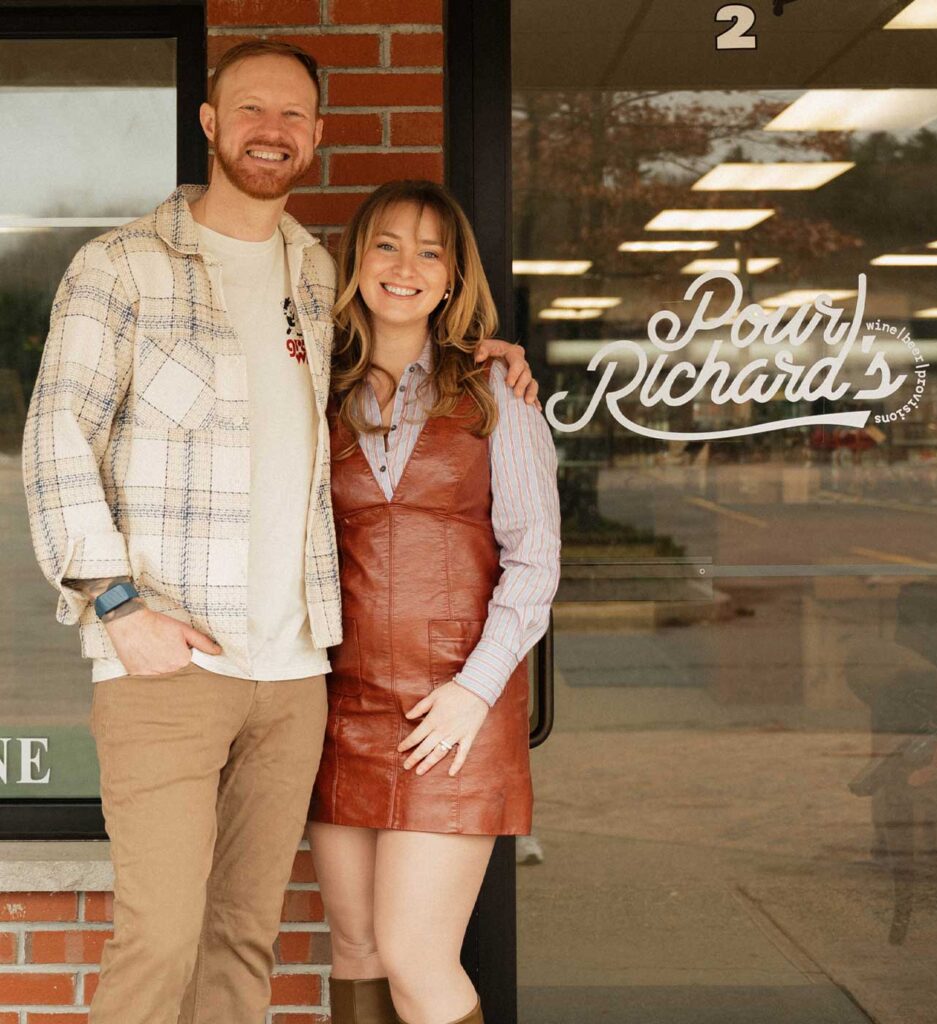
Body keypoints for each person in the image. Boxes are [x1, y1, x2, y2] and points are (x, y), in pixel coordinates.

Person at [21, 40, 536, 1024]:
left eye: (294, 115)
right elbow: (55, 449)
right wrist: (118, 606)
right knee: (160, 936)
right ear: (210, 124)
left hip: (297, 673)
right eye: (250, 109)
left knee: (241, 941)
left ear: (316, 136)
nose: (272, 129)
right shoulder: (120, 268)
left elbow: (402, 344)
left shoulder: (313, 272)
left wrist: (482, 354)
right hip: (167, 662)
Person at [306, 179, 561, 1024]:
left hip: (454, 709)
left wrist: (472, 692)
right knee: (357, 950)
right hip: (342, 706)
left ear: (452, 278)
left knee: (417, 956)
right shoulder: (316, 392)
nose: (405, 266)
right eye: (385, 244)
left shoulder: (498, 397)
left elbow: (533, 567)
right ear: (355, 263)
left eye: (429, 251)